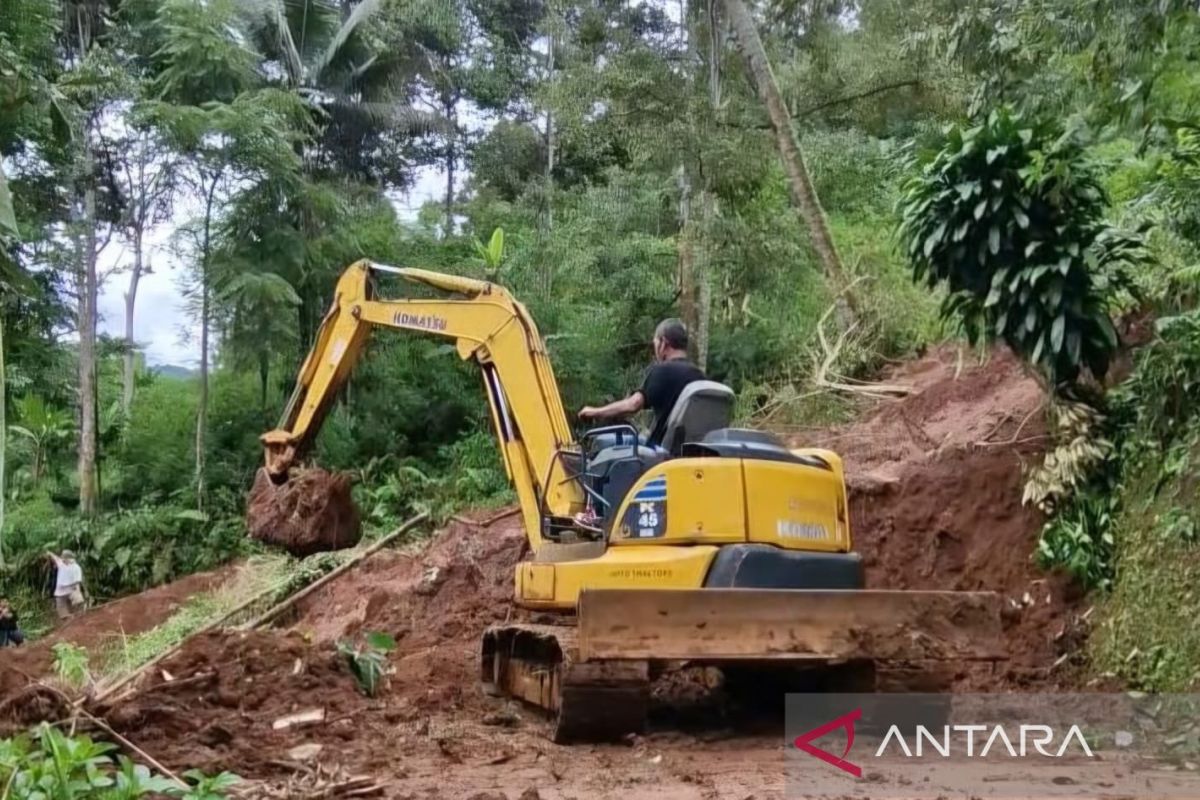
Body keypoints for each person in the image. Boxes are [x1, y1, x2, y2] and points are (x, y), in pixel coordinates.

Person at [579, 318, 706, 448]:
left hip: (660, 450)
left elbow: (633, 405)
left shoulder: (662, 371)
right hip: (689, 451)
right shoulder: (700, 377)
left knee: (601, 442)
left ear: (663, 343)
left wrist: (595, 411)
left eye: (655, 343)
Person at [46, 550, 85, 621]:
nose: (63, 560)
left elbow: (77, 581)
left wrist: (78, 591)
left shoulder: (76, 567)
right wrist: (48, 553)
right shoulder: (61, 564)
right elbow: (55, 557)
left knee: (78, 603)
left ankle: (79, 619)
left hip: (72, 588)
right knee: (62, 610)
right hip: (60, 590)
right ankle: (68, 621)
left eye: (65, 558)